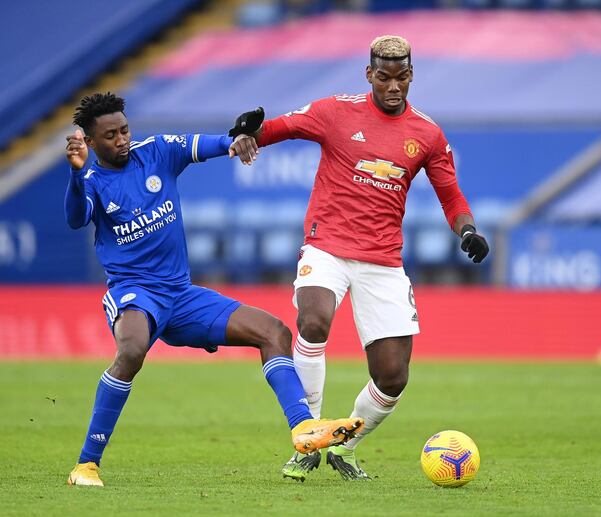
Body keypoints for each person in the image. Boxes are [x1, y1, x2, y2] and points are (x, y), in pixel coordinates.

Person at [63, 92, 363, 486]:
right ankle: (86, 465)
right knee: (132, 351)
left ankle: (303, 426)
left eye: (124, 130)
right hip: (135, 292)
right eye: (110, 135)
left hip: (182, 296)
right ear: (89, 140)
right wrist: (74, 173)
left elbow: (203, 146)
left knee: (274, 332)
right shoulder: (91, 179)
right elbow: (74, 219)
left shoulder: (155, 152)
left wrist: (233, 142)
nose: (121, 139)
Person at [242, 35, 489, 480]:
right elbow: (279, 128)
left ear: (411, 76)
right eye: (383, 77)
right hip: (327, 245)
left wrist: (467, 229)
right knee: (313, 320)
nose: (393, 86)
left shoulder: (427, 133)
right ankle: (308, 437)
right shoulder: (335, 111)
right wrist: (248, 132)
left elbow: (451, 196)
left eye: (401, 78)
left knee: (393, 376)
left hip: (383, 259)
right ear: (369, 74)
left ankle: (345, 446)